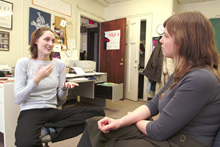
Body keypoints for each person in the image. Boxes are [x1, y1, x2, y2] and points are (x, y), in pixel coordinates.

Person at [77, 11, 220, 147]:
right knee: (95, 126)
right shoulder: (180, 74)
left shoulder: (200, 79)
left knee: (113, 143)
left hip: (181, 142)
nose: (161, 41)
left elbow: (158, 131)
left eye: (166, 36)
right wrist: (120, 121)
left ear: (185, 41)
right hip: (169, 133)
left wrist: (135, 119)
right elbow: (154, 104)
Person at [14, 27, 105, 147]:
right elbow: (18, 99)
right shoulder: (24, 63)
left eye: (53, 40)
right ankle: (51, 129)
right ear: (36, 40)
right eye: (46, 39)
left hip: (52, 111)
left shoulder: (59, 64)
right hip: (31, 111)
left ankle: (49, 130)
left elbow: (60, 101)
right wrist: (36, 80)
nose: (50, 44)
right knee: (25, 143)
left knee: (98, 113)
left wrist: (64, 89)